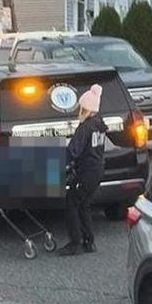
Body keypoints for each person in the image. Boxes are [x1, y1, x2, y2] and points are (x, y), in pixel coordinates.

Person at [59, 84, 107, 256]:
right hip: (97, 170)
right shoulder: (100, 125)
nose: (79, 110)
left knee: (71, 203)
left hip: (85, 172)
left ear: (87, 108)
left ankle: (75, 242)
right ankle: (89, 241)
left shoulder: (85, 128)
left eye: (81, 107)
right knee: (84, 204)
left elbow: (73, 151)